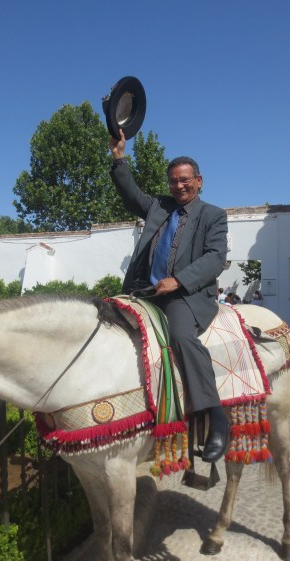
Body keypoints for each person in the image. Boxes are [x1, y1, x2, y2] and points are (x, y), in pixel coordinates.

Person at [109, 129, 229, 462]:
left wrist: (178, 281)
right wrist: (119, 157)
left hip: (186, 296)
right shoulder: (159, 207)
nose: (179, 186)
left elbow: (216, 258)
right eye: (173, 181)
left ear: (199, 181)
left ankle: (215, 416)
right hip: (144, 291)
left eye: (185, 180)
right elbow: (131, 194)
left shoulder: (213, 215)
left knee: (181, 337)